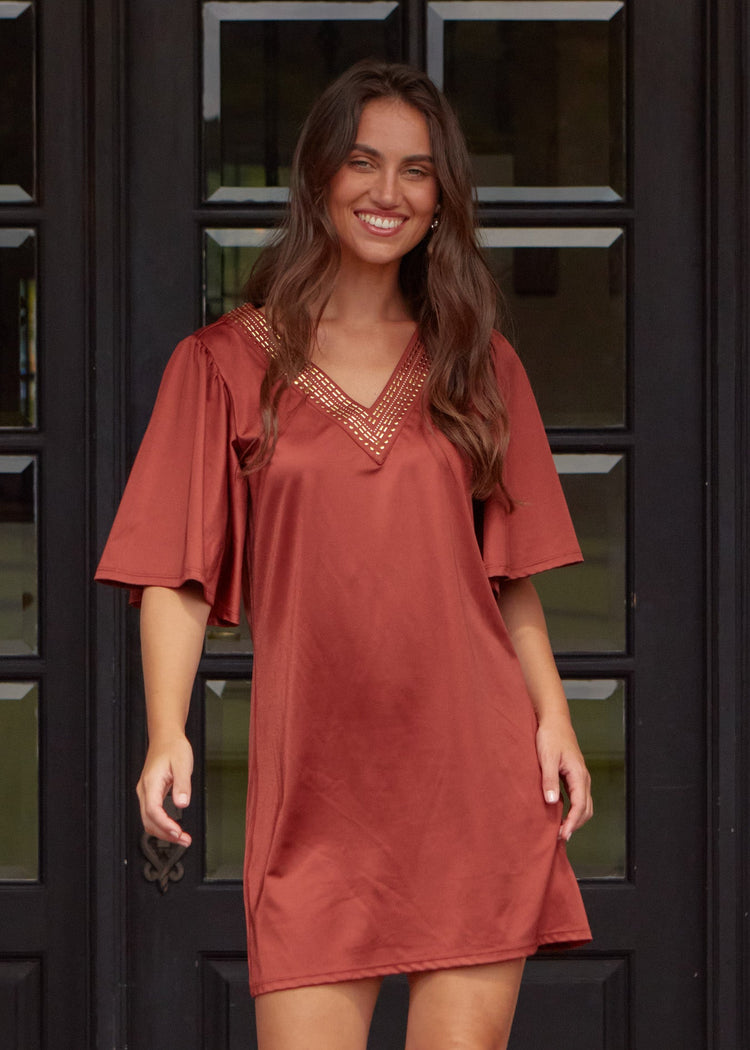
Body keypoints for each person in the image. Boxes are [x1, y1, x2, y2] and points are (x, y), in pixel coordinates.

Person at [96, 60, 592, 1050]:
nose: (388, 193)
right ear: (319, 175)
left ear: (441, 197)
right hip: (317, 791)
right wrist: (165, 732)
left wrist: (556, 720)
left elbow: (509, 575)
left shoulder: (479, 363)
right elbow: (175, 574)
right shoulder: (224, 366)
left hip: (473, 778)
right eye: (363, 162)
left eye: (417, 171)